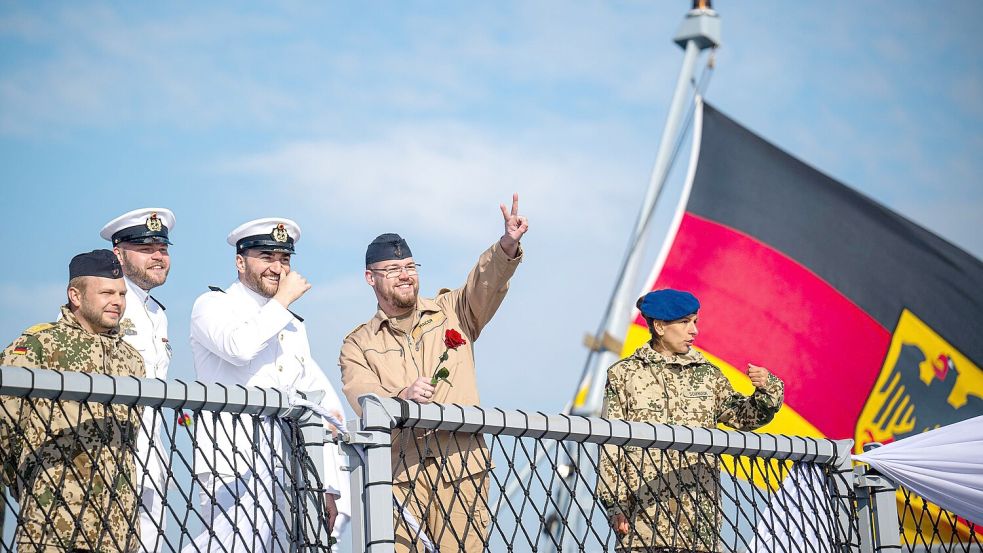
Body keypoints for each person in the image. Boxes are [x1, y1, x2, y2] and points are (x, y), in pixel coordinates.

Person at [339, 194, 528, 552]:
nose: (405, 275)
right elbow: (364, 399)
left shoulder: (453, 311)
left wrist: (506, 247)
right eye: (393, 270)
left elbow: (485, 284)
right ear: (370, 278)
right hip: (399, 478)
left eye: (410, 266)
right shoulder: (357, 345)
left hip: (461, 470)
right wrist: (401, 401)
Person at [188, 217, 348, 549]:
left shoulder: (291, 324)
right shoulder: (213, 306)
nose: (277, 267)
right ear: (240, 261)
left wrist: (329, 485)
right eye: (266, 257)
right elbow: (239, 348)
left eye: (285, 259)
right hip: (232, 467)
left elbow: (322, 406)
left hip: (289, 470)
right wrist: (282, 302)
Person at [596, 289, 785, 552]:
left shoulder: (707, 375)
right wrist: (614, 505)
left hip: (699, 523)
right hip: (644, 522)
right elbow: (611, 446)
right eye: (685, 322)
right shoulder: (624, 374)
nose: (694, 330)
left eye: (695, 321)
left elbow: (744, 418)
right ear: (660, 326)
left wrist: (768, 390)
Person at [0, 250, 144, 552]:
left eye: (121, 293)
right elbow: (4, 426)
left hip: (119, 528)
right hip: (54, 523)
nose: (117, 301)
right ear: (75, 296)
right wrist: (29, 483)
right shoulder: (40, 345)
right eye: (106, 292)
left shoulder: (132, 360)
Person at [100, 207, 175, 551]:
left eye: (162, 249)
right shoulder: (99, 301)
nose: (158, 257)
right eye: (145, 250)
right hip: (108, 456)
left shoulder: (157, 312)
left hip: (150, 457)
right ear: (118, 253)